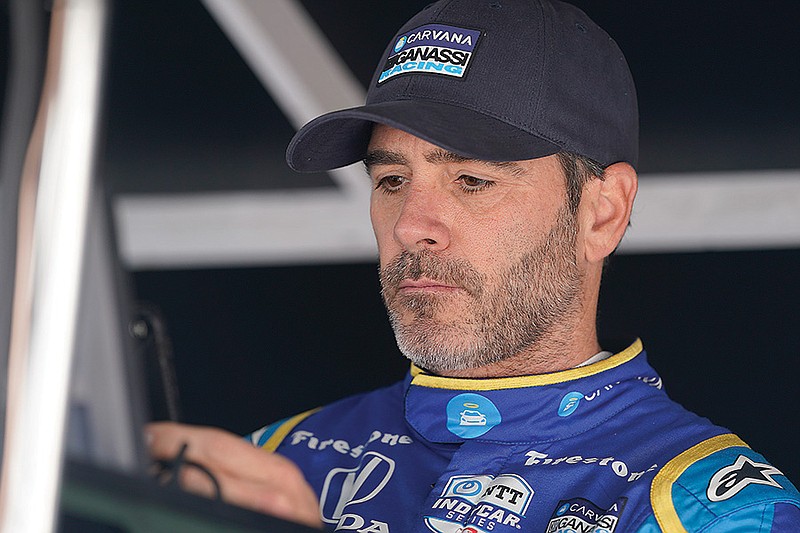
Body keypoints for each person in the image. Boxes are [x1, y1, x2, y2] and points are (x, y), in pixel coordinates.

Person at [148, 0, 800, 530]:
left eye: (471, 181)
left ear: (601, 212)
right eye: (393, 180)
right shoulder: (273, 461)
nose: (410, 226)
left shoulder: (713, 507)